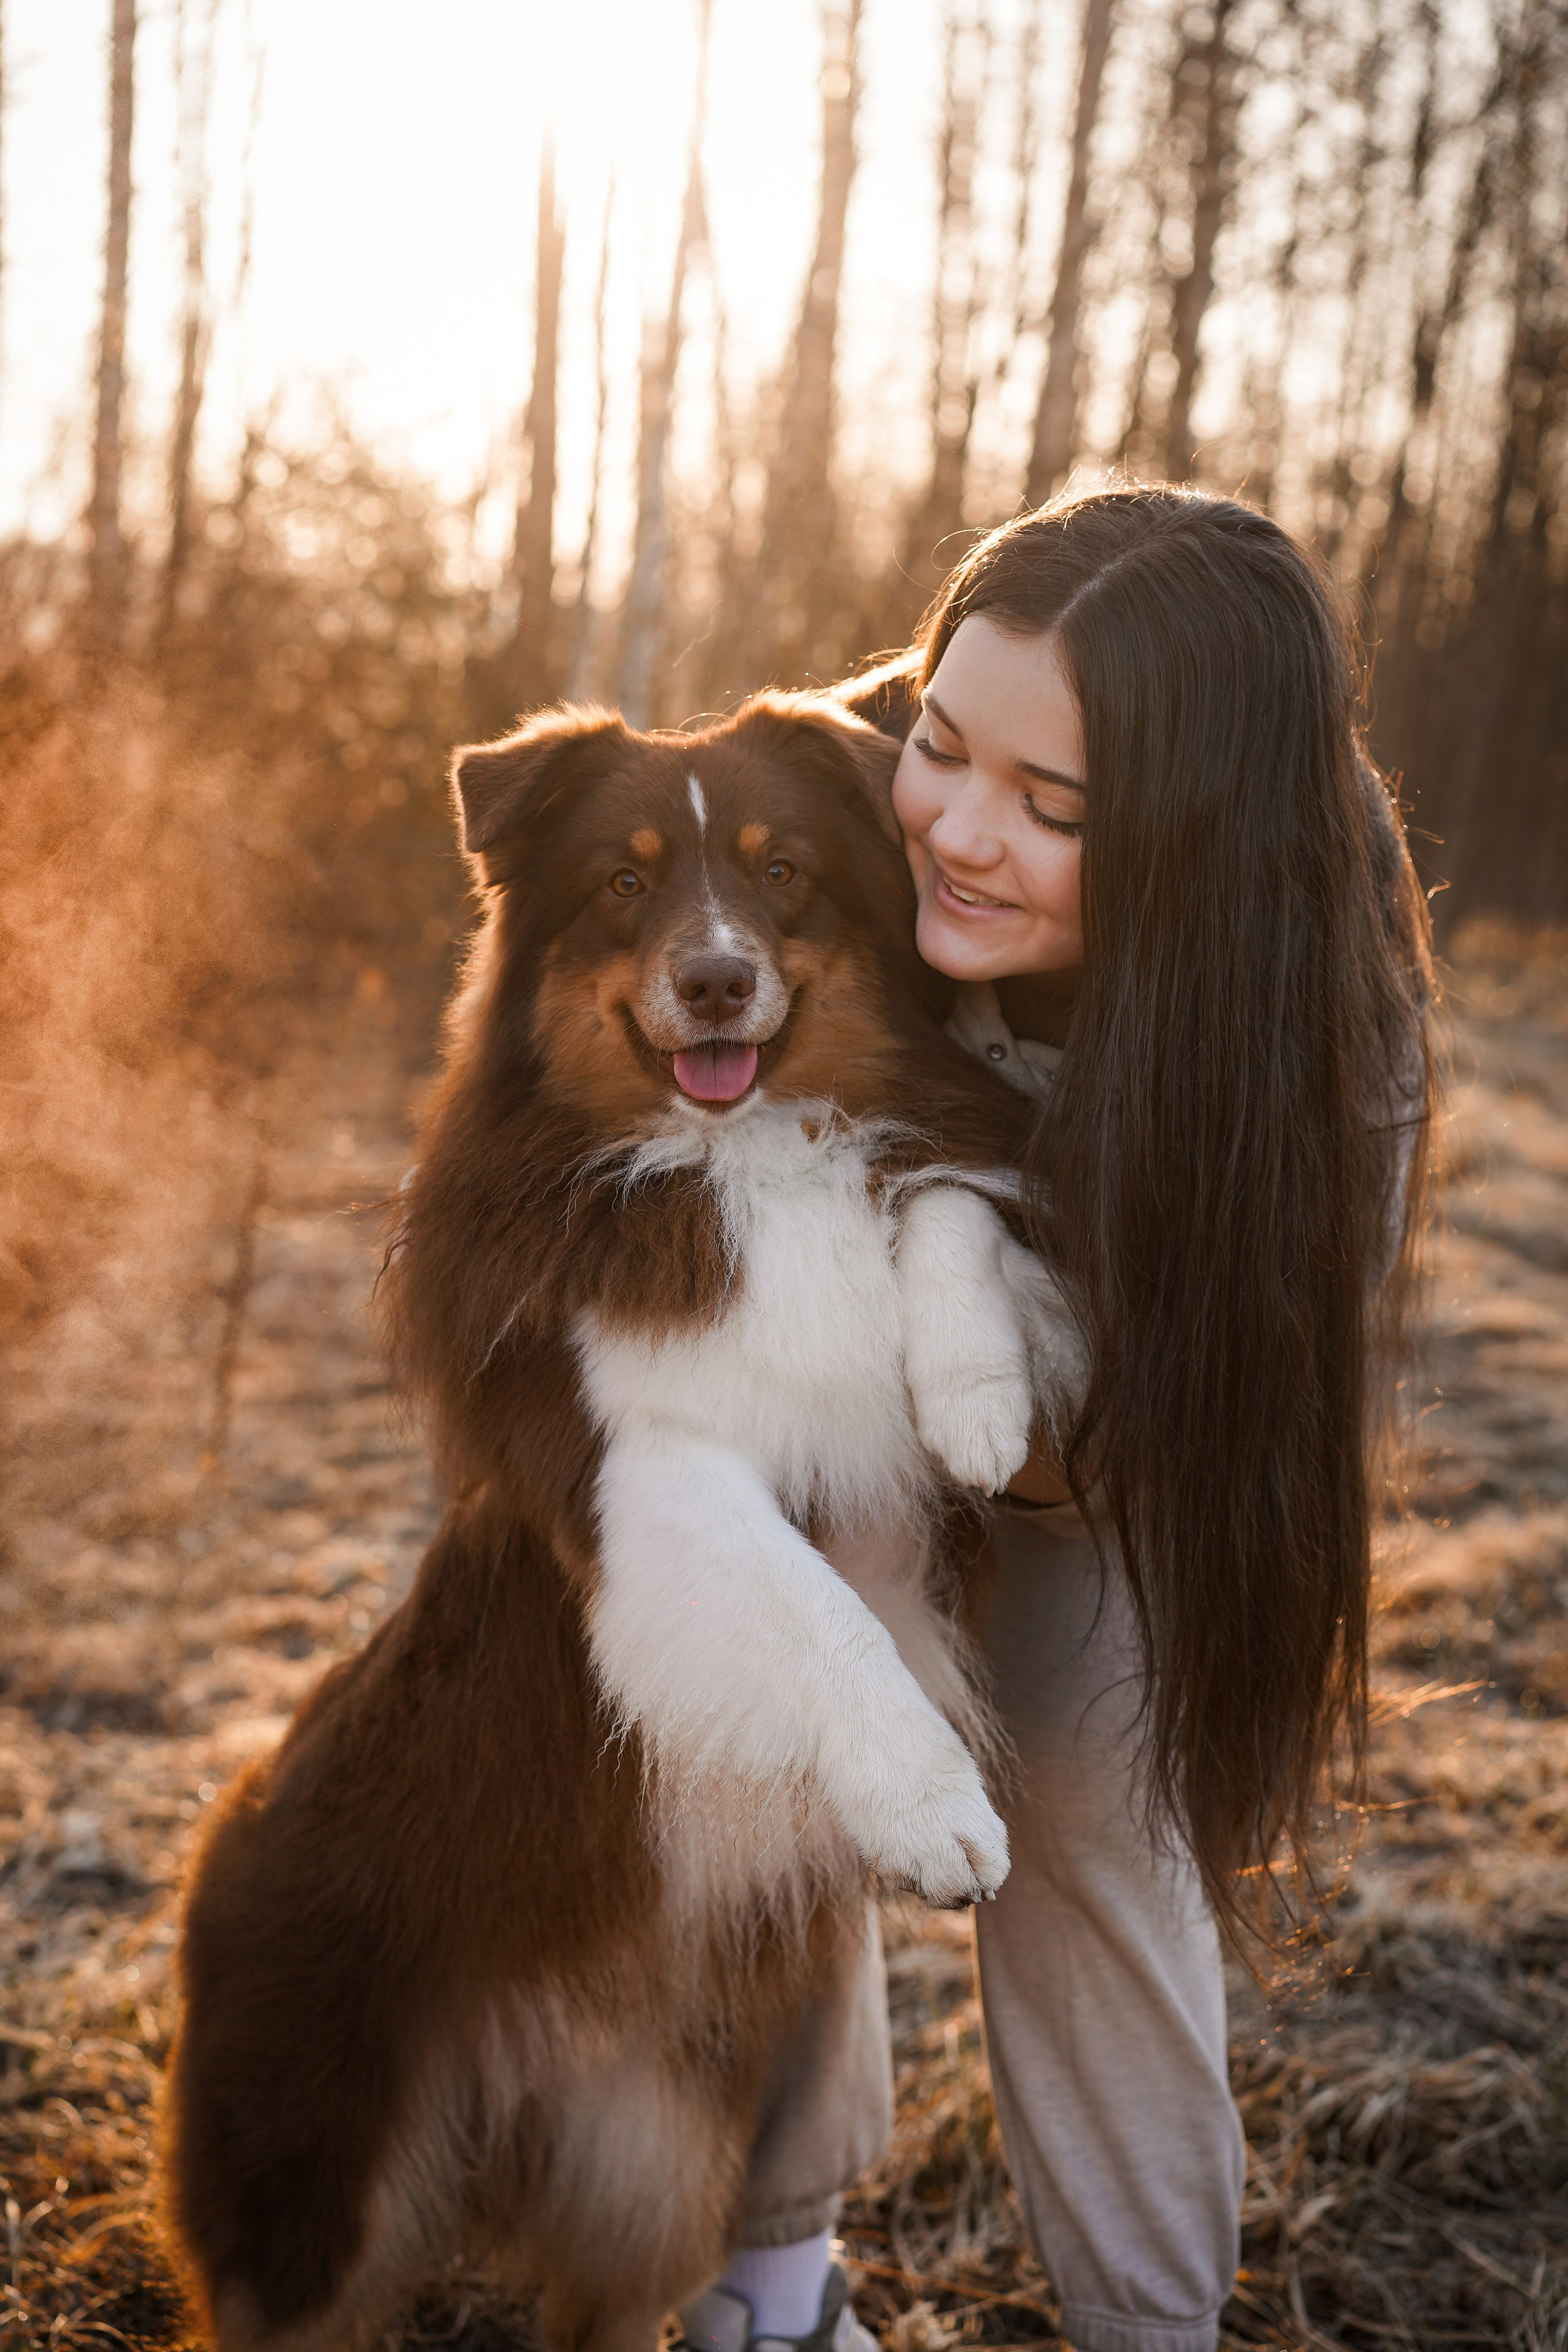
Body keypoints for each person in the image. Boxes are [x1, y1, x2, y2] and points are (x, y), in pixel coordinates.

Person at [677, 484, 1433, 2352]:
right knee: (755, 1684)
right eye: (943, 743)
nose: (957, 827)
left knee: (1092, 1796)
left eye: (1051, 808)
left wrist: (975, 1376)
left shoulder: (1328, 1059)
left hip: (1106, 1454)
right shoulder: (845, 793)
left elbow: (1159, 1436)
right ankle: (764, 2288)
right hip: (833, 1365)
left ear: (1188, 845)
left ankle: (1149, 2324)